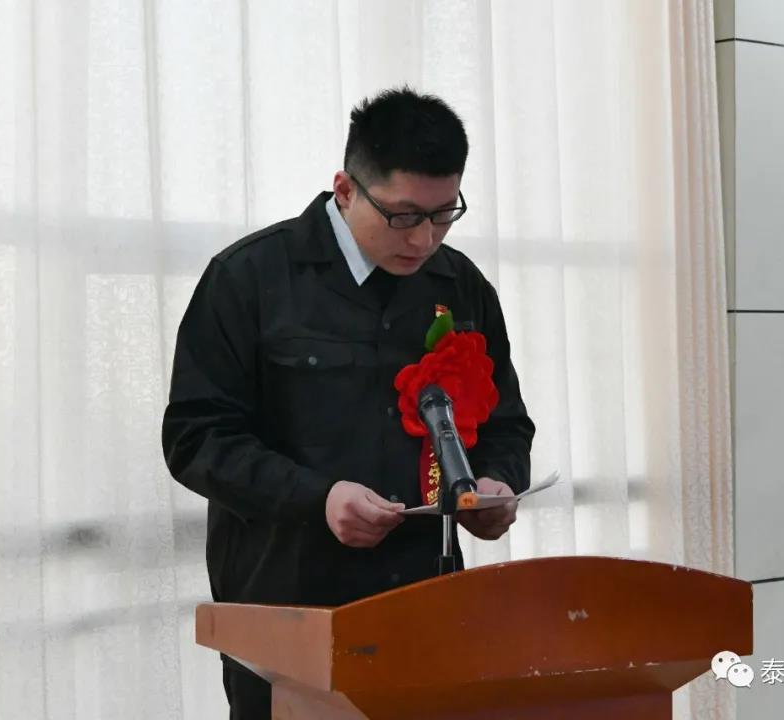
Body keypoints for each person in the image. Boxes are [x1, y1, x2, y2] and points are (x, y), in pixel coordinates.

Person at [161, 87, 535, 719]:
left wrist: (496, 482)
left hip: (425, 609)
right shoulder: (251, 278)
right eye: (404, 216)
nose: (425, 239)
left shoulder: (461, 286)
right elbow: (196, 439)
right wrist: (319, 499)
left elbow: (505, 423)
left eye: (444, 214)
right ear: (345, 189)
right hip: (286, 614)